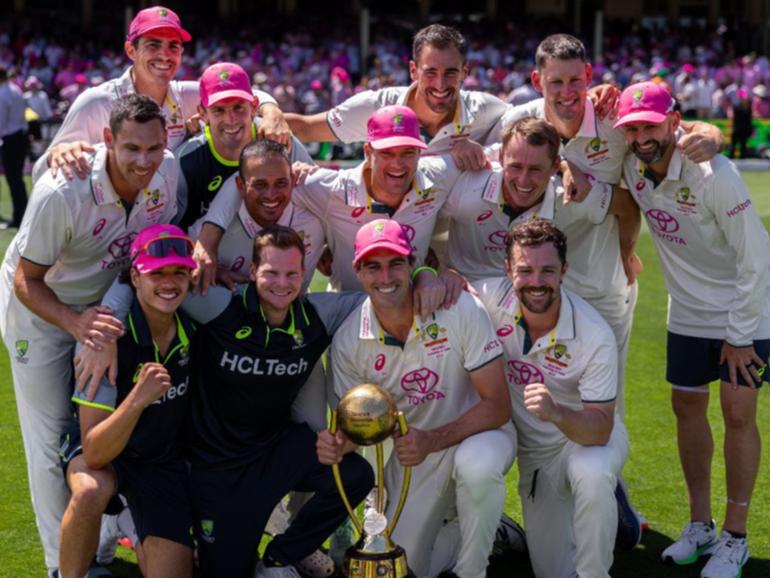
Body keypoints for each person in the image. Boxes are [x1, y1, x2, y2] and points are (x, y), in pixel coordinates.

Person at [93, 225, 375, 578]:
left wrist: (427, 276)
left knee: (356, 475)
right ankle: (124, 519)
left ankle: (279, 559)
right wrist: (106, 325)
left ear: (305, 275)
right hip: (215, 466)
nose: (281, 283)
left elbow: (383, 296)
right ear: (254, 271)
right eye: (271, 272)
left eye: (291, 274)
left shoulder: (318, 314)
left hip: (274, 449)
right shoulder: (221, 305)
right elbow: (151, 280)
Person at [492, 33, 724, 418]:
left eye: (575, 81)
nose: (567, 93)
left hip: (603, 287)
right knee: (537, 407)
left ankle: (607, 480)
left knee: (603, 407)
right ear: (537, 81)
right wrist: (565, 165)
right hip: (538, 284)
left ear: (588, 75)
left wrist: (626, 249)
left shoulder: (613, 120)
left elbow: (673, 133)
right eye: (556, 82)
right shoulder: (518, 121)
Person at [0, 93, 177, 577]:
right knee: (48, 435)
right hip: (39, 308)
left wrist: (98, 328)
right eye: (131, 149)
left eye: (154, 148)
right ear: (106, 141)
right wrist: (77, 325)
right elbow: (26, 279)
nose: (144, 162)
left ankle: (98, 545)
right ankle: (61, 567)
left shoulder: (169, 173)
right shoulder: (64, 190)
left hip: (104, 304)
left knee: (97, 428)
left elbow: (141, 256)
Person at [615, 81, 770, 578]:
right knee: (686, 407)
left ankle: (735, 537)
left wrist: (741, 335)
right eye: (633, 127)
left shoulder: (713, 172)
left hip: (744, 310)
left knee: (738, 412)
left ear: (673, 121)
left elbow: (756, 258)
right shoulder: (629, 167)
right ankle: (700, 525)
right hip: (686, 312)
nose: (642, 135)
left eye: (651, 124)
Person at [317, 218, 516, 578]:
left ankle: (472, 570)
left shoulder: (458, 309)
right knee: (399, 566)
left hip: (479, 432)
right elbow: (356, 429)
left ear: (412, 264)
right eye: (373, 266)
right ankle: (488, 525)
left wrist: (433, 439)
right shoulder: (348, 341)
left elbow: (498, 406)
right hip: (417, 452)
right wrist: (336, 444)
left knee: (477, 467)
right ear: (358, 271)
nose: (386, 276)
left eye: (396, 263)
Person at [475, 219, 628, 578]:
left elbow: (600, 429)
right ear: (508, 269)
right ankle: (617, 520)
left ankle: (596, 567)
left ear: (564, 271)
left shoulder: (595, 334)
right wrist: (432, 275)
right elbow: (450, 284)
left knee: (590, 473)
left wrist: (557, 412)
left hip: (586, 438)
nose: (537, 282)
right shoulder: (490, 298)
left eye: (548, 270)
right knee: (551, 572)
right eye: (525, 270)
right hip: (537, 456)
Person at [201, 105, 457, 310]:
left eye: (408, 153)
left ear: (421, 153)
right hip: (349, 314)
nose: (398, 164)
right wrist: (207, 241)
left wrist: (467, 148)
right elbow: (250, 186)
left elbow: (493, 161)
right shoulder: (326, 187)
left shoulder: (440, 175)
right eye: (387, 153)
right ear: (368, 151)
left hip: (418, 304)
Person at [59, 224, 198, 578]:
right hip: (106, 460)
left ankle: (122, 521)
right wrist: (138, 398)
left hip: (158, 462)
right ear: (135, 277)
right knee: (92, 489)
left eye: (179, 272)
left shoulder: (194, 330)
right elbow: (94, 452)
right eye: (157, 273)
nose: (169, 282)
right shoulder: (103, 340)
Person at [32, 5, 289, 183]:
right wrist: (59, 153)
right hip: (105, 233)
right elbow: (40, 174)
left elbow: (243, 92)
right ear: (130, 50)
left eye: (173, 46)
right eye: (153, 45)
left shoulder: (184, 95)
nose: (165, 55)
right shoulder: (98, 102)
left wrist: (271, 111)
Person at [175, 61, 313, 230]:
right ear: (203, 113)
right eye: (219, 110)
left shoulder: (279, 139)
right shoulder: (187, 159)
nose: (231, 119)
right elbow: (175, 230)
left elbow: (316, 203)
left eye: (238, 107)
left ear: (254, 106)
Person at [0, 65, 29, 228]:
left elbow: (1, 122)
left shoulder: (2, 94)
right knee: (18, 180)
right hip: (21, 137)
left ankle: (18, 217)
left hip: (10, 139)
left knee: (13, 180)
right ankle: (22, 214)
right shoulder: (15, 89)